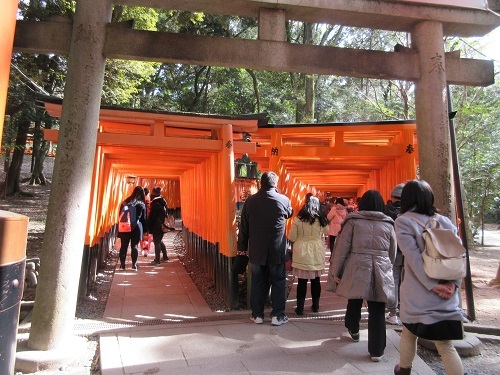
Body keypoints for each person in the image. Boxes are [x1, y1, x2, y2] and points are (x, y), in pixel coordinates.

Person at [393, 180, 464, 375]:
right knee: (445, 344)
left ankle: (404, 370)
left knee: (409, 332)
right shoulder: (445, 221)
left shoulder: (403, 221)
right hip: (447, 294)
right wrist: (452, 285)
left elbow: (414, 258)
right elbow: (458, 255)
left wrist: (432, 285)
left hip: (419, 294)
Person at [330, 189, 396, 362]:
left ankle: (353, 329)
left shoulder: (353, 222)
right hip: (380, 267)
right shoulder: (388, 224)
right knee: (377, 307)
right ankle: (377, 351)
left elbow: (342, 249)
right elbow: (392, 252)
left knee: (354, 298)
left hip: (357, 265)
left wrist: (336, 271)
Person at [237, 171, 293, 326]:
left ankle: (258, 315)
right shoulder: (283, 199)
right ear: (275, 184)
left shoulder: (250, 201)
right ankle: (277, 316)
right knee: (278, 282)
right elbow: (290, 213)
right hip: (276, 250)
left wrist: (242, 247)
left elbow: (244, 228)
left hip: (256, 250)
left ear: (261, 183)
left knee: (258, 282)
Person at [288, 196, 329, 315]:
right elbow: (326, 231)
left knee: (302, 281)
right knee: (316, 281)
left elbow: (292, 237)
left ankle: (300, 308)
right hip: (317, 250)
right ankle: (315, 306)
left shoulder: (298, 219)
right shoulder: (322, 219)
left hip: (302, 251)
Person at [385, 182, 405, 325]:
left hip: (392, 250)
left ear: (392, 197)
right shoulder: (410, 212)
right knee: (408, 280)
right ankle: (406, 310)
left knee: (394, 279)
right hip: (410, 251)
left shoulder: (385, 211)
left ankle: (393, 312)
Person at [117, 186, 148, 270]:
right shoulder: (141, 204)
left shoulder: (125, 201)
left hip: (125, 227)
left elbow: (120, 215)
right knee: (134, 246)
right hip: (136, 227)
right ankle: (134, 264)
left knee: (123, 246)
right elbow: (144, 218)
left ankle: (122, 264)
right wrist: (145, 230)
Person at [148, 186, 169, 265]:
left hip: (156, 225)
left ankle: (157, 260)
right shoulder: (163, 201)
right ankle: (165, 256)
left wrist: (148, 226)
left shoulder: (155, 203)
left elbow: (152, 216)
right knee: (159, 240)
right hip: (163, 224)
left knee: (156, 242)